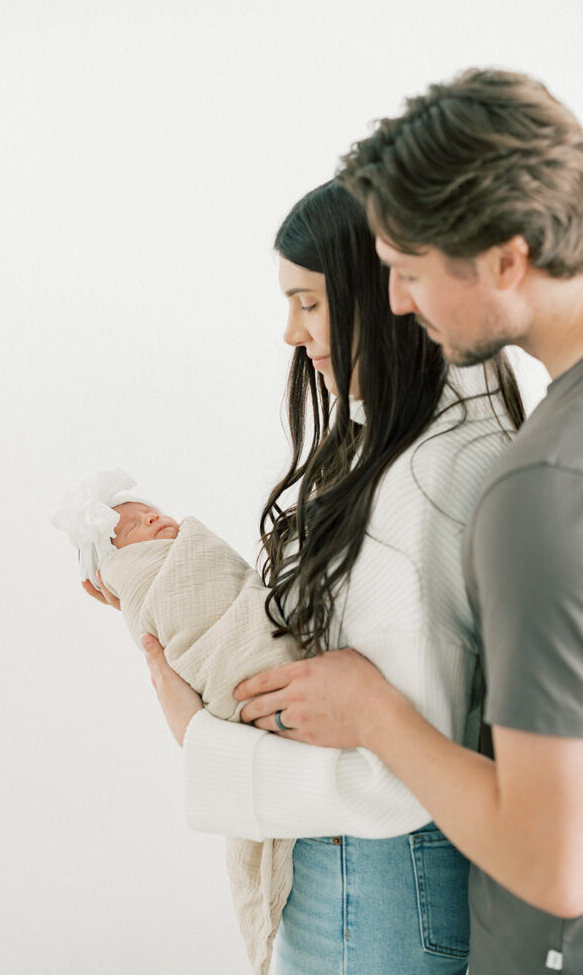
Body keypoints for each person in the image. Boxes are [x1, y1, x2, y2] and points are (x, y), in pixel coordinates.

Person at [128, 180, 531, 974]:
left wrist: (198, 738)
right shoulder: (449, 439)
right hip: (396, 891)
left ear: (390, 296)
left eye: (308, 303)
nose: (288, 332)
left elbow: (401, 782)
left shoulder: (418, 482)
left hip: (374, 887)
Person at [236, 70, 583, 974]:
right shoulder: (529, 451)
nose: (391, 303)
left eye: (408, 271)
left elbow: (552, 862)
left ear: (506, 259)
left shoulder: (534, 483)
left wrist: (373, 715)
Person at [53, 468, 300, 974]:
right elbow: (174, 615)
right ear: (120, 566)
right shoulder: (147, 585)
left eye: (153, 511)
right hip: (253, 693)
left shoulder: (192, 550)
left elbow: (232, 587)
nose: (156, 518)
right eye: (137, 526)